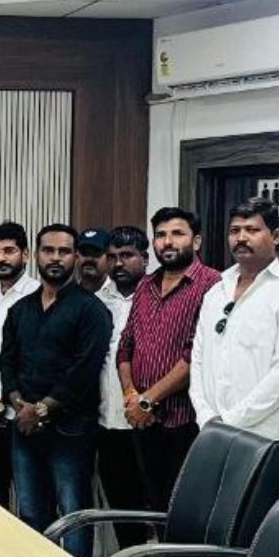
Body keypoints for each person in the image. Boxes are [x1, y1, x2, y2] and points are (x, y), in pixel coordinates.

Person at [0, 224, 111, 557]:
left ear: (75, 257)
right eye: (48, 250)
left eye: (64, 251)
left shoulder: (91, 309)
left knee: (73, 513)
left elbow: (84, 370)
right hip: (25, 428)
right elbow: (7, 361)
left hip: (71, 430)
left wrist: (43, 409)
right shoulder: (21, 309)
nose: (56, 258)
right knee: (31, 510)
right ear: (36, 255)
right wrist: (18, 402)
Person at [117, 207, 221, 511]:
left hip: (185, 421)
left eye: (177, 234)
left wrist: (147, 400)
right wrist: (132, 396)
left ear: (196, 241)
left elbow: (196, 354)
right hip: (143, 421)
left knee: (185, 510)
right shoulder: (145, 285)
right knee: (153, 505)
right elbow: (126, 346)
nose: (167, 242)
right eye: (161, 235)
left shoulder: (213, 284)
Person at [191, 199, 279, 443]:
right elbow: (198, 359)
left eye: (252, 230)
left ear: (276, 236)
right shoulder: (216, 291)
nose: (241, 238)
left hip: (262, 436)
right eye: (235, 231)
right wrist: (206, 416)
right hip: (210, 429)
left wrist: (230, 421)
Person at [0, 220, 39, 509]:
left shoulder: (39, 296)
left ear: (25, 254)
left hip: (23, 416)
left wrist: (2, 399)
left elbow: (35, 360)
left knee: (31, 503)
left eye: (9, 251)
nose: (1, 258)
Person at [95, 226, 148, 538]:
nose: (118, 263)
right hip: (107, 423)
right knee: (121, 508)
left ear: (145, 258)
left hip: (149, 424)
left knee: (156, 507)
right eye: (112, 256)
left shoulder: (156, 299)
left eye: (127, 255)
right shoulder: (97, 302)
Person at [76, 227, 115, 296]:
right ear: (77, 257)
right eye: (84, 252)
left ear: (108, 258)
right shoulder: (68, 294)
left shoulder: (119, 296)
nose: (89, 259)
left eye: (96, 253)